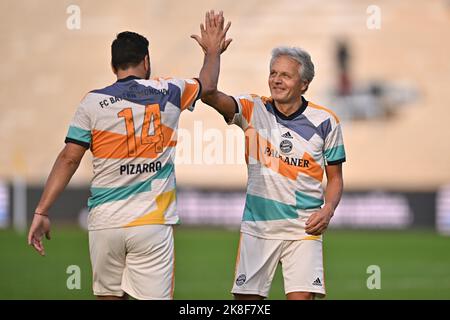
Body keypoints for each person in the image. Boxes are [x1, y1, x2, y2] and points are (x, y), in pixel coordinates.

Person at [27, 10, 232, 300]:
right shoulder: (169, 90)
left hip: (105, 223)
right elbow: (208, 86)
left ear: (113, 66)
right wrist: (212, 52)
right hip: (150, 224)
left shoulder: (92, 102)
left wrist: (42, 211)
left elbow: (69, 159)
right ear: (146, 61)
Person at [199, 46, 345, 300]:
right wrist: (213, 53)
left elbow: (335, 178)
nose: (276, 80)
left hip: (303, 229)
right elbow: (208, 94)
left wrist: (328, 209)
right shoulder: (252, 108)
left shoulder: (325, 122)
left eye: (285, 75)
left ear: (304, 84)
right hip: (259, 228)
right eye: (273, 73)